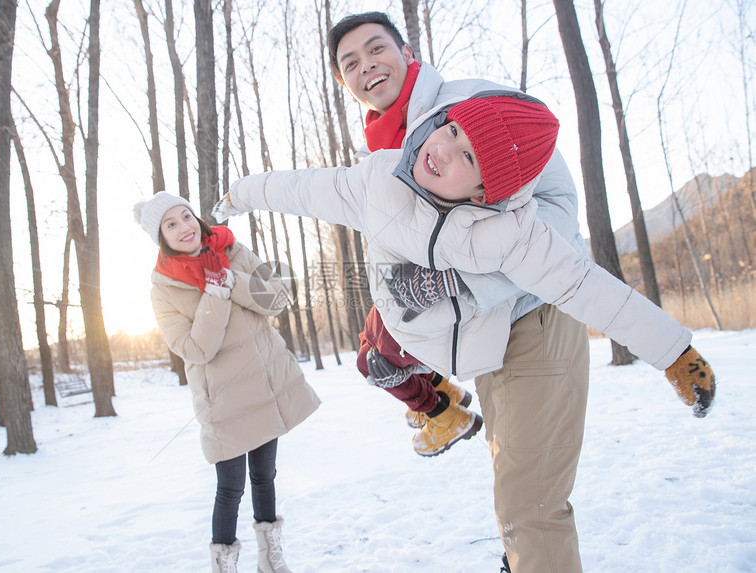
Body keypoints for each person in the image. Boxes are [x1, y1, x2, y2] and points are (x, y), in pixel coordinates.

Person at [213, 93, 716, 572]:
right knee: (376, 362)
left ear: (483, 191)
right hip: (410, 325)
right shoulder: (378, 179)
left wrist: (673, 351)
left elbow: (588, 286)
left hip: (480, 338)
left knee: (521, 483)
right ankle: (440, 408)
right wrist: (242, 192)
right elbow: (300, 188)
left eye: (467, 157)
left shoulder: (514, 235)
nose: (442, 149)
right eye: (450, 130)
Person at [326, 12, 590, 573]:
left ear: (405, 50)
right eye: (350, 63)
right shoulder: (382, 157)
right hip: (480, 335)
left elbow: (559, 209)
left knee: (530, 503)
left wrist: (460, 282)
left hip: (535, 315)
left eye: (376, 49)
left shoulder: (470, 102)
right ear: (343, 82)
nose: (366, 65)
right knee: (514, 488)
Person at [134, 191, 321, 573]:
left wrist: (231, 279)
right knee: (231, 488)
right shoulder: (163, 288)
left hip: (265, 386)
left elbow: (277, 300)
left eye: (185, 215)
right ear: (162, 239)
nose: (184, 226)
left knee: (265, 477)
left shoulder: (232, 250)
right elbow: (194, 349)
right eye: (170, 224)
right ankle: (225, 565)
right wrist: (215, 292)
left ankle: (271, 559)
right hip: (223, 401)